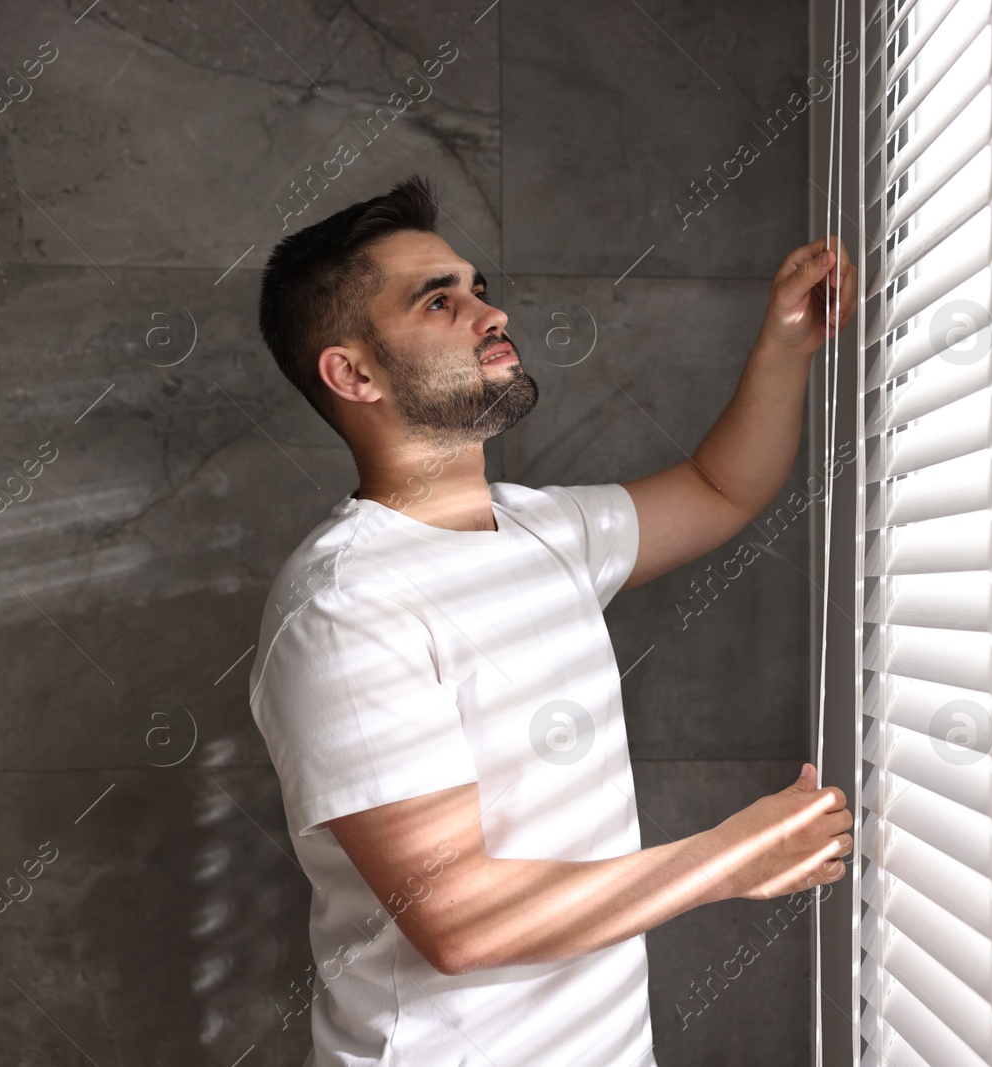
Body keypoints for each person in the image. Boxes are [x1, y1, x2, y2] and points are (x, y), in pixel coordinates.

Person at [245, 175, 856, 1066]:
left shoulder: (542, 525)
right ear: (353, 372)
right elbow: (454, 918)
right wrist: (727, 859)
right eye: (438, 300)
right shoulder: (344, 604)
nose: (488, 313)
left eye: (478, 287)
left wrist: (787, 347)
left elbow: (721, 489)